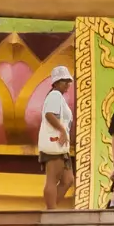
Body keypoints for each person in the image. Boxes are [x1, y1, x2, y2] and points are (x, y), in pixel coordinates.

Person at [39, 66, 75, 209]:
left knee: (68, 179)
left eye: (68, 81)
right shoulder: (55, 95)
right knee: (52, 178)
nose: (67, 84)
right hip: (55, 143)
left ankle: (51, 207)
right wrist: (62, 131)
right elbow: (49, 114)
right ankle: (51, 209)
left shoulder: (58, 97)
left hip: (61, 145)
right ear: (56, 82)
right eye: (64, 81)